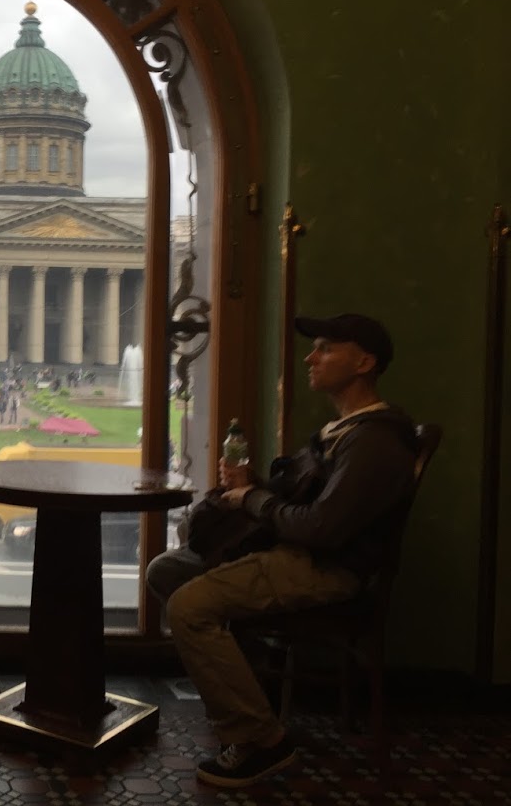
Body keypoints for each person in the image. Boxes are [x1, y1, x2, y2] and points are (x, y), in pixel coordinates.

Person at [145, 313, 417, 789]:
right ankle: (246, 699)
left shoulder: (374, 442)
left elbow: (321, 530)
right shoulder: (345, 430)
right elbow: (306, 504)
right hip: (295, 553)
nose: (312, 357)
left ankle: (261, 739)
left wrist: (253, 498)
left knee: (190, 605)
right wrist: (256, 487)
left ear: (364, 363)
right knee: (168, 570)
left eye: (327, 348)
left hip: (325, 568)